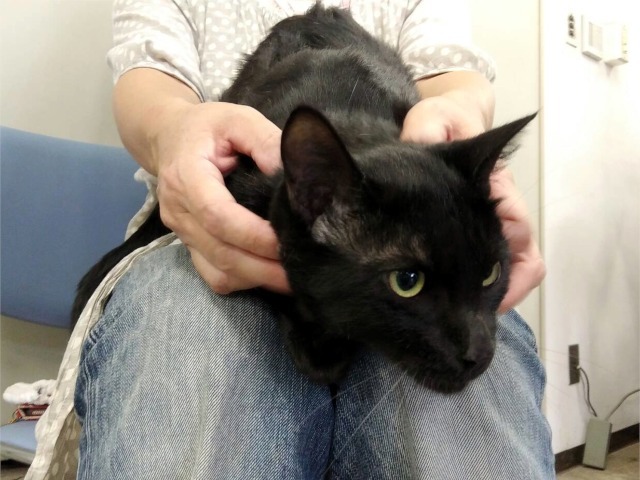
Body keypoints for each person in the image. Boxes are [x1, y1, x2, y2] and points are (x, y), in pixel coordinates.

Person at [27, 1, 551, 478]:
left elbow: (452, 75)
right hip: (211, 230)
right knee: (192, 330)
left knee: (473, 395)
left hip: (390, 219)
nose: (476, 345)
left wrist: (459, 113)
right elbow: (149, 79)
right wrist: (174, 131)